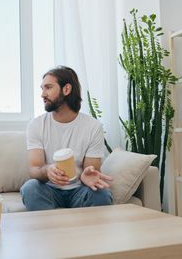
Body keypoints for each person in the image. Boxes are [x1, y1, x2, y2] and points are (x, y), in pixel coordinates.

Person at [20, 66, 113, 211]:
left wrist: (85, 176)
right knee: (30, 188)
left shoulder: (93, 126)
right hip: (48, 190)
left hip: (79, 191)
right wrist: (47, 171)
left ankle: (88, 232)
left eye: (48, 88)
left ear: (66, 89)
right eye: (42, 88)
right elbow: (34, 168)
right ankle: (52, 231)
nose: (42, 94)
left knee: (102, 194)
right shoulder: (36, 125)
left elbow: (91, 169)